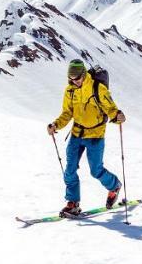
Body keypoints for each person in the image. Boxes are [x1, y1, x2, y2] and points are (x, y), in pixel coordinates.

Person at [47, 59, 126, 218]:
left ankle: (114, 185)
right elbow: (67, 113)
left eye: (76, 78)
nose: (73, 81)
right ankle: (73, 203)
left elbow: (110, 107)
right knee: (69, 170)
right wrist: (56, 125)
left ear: (83, 75)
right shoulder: (70, 91)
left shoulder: (98, 88)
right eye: (71, 78)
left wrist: (117, 115)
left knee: (96, 171)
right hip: (77, 134)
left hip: (95, 135)